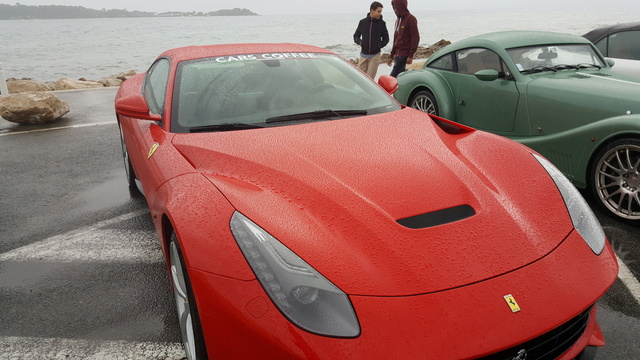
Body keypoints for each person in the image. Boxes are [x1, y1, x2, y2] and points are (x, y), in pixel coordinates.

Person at [353, 2, 389, 79]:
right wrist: (360, 42)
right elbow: (356, 36)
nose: (380, 14)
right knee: (359, 78)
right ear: (372, 10)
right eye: (378, 11)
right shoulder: (363, 22)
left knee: (369, 80)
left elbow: (386, 38)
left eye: (381, 11)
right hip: (363, 55)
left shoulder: (382, 24)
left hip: (375, 56)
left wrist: (379, 45)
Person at [387, 0, 420, 77]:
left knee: (392, 77)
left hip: (404, 55)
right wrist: (391, 55)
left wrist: (411, 55)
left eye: (396, 7)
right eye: (394, 7)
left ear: (402, 6)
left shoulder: (411, 19)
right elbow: (396, 39)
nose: (395, 9)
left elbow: (415, 37)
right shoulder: (398, 21)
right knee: (400, 78)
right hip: (397, 55)